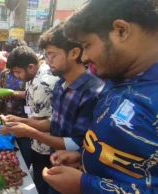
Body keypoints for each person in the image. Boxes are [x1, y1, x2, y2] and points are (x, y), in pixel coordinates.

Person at [41, 0, 158, 193]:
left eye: (87, 45)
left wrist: (85, 185)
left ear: (121, 30)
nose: (85, 57)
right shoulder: (116, 79)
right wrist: (83, 154)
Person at [0, 23, 105, 194]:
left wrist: (29, 132)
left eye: (52, 55)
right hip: (57, 160)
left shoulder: (92, 92)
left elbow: (76, 143)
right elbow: (53, 123)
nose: (47, 62)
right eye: (46, 55)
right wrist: (22, 121)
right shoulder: (60, 85)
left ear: (74, 53)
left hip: (76, 174)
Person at [0, 46, 59, 194]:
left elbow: (45, 125)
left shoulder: (42, 84)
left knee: (42, 180)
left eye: (18, 72)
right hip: (36, 139)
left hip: (45, 145)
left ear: (31, 67)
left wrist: (19, 123)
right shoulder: (33, 77)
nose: (17, 76)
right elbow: (29, 97)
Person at [0, 39, 29, 168]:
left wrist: (12, 93)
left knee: (24, 157)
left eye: (10, 56)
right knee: (7, 155)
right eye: (7, 56)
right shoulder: (4, 74)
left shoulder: (29, 74)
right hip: (7, 119)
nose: (8, 60)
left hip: (25, 121)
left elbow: (32, 95)